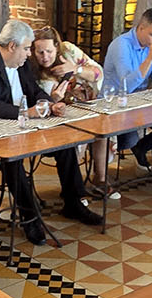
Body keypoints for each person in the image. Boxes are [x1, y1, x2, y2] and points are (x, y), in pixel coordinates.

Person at [0, 19, 102, 245]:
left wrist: (50, 103)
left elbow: (33, 90)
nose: (30, 54)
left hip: (23, 125)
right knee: (12, 159)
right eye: (27, 48)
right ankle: (29, 217)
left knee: (63, 143)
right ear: (12, 47)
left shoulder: (22, 64)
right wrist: (26, 112)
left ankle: (73, 202)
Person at [32, 25, 112, 197]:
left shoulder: (68, 51)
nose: (45, 57)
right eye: (40, 53)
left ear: (57, 46)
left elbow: (98, 73)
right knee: (77, 136)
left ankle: (101, 179)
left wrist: (76, 69)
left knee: (102, 127)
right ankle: (74, 191)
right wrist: (53, 99)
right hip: (54, 118)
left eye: (49, 51)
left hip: (84, 105)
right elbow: (37, 103)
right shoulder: (32, 69)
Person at [102, 8, 152, 170]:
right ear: (140, 28)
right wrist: (150, 57)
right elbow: (127, 85)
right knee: (129, 139)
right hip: (115, 103)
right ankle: (104, 160)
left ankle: (142, 148)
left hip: (142, 102)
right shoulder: (121, 45)